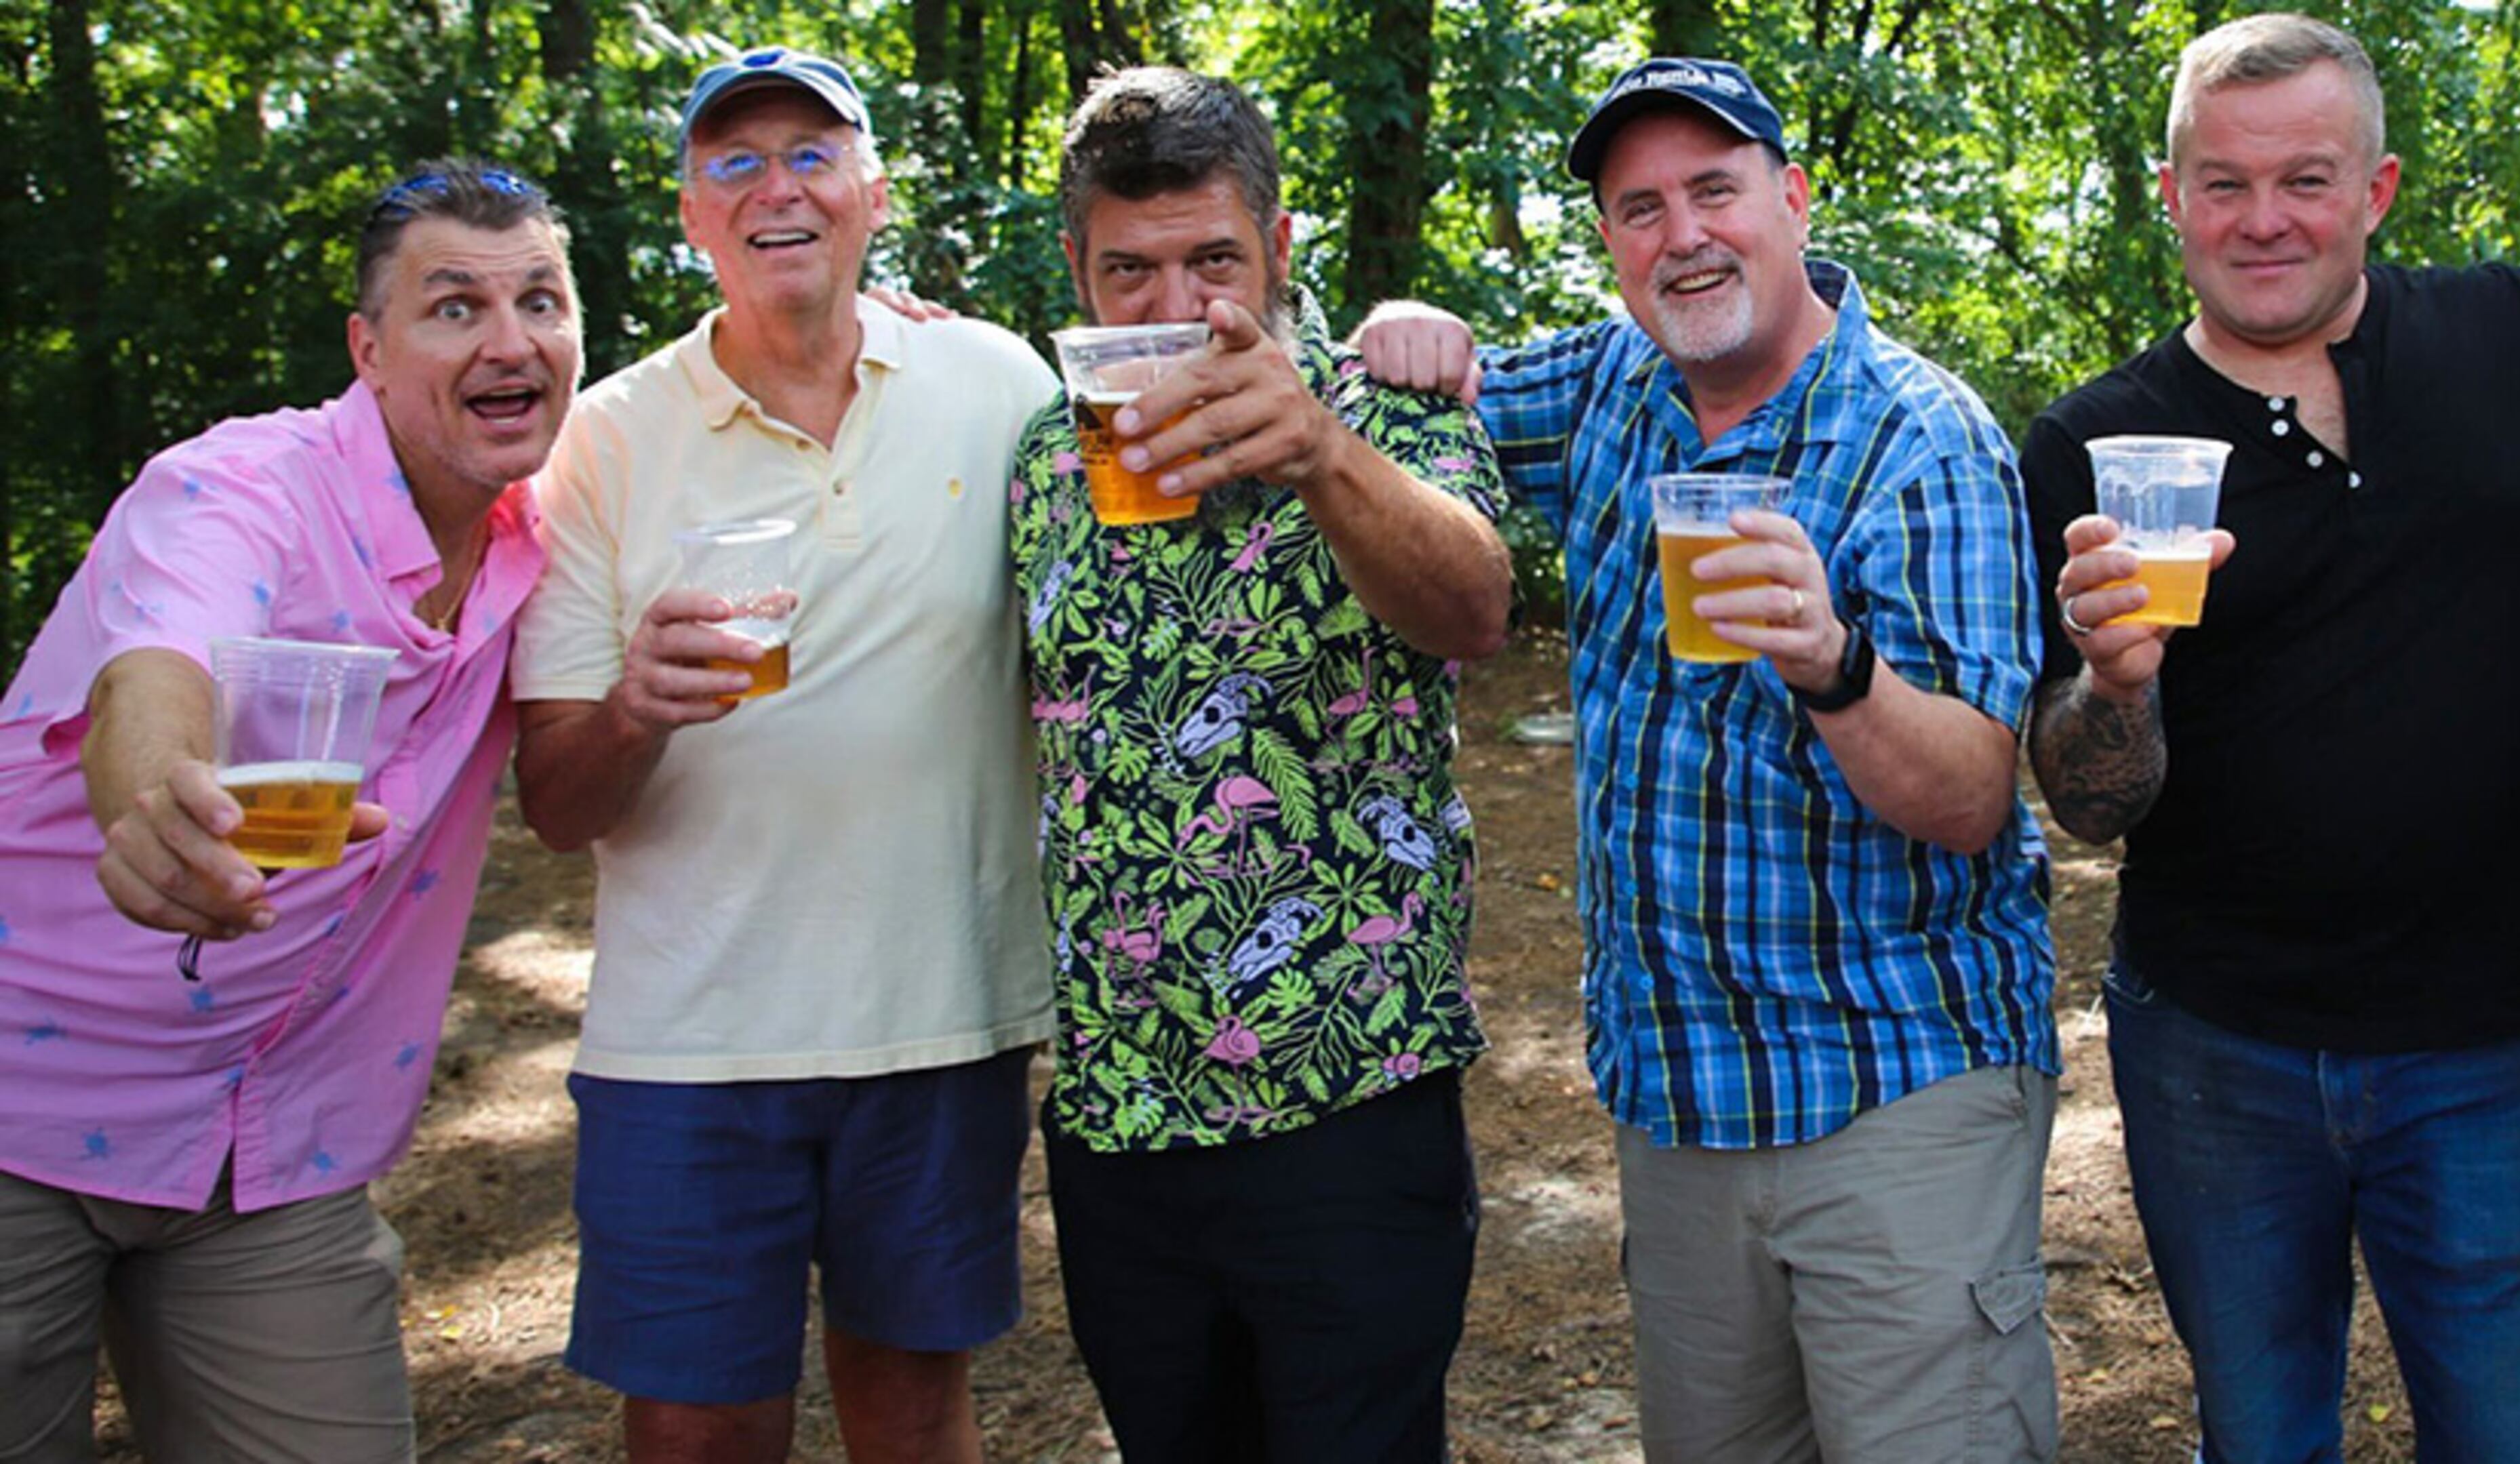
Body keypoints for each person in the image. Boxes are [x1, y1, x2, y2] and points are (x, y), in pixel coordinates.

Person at [1356, 56, 2059, 1461]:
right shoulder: (1612, 385)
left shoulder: (1923, 440)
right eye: (1640, 209)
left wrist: (1835, 666)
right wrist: (1400, 332)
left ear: (1792, 201)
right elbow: (1384, 432)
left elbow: (1975, 800)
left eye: (1716, 192)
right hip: (1680, 1094)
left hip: (1896, 1079)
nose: (1684, 236)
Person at [2024, 14, 2520, 1461]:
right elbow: (2091, 810)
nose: (2263, 219)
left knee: (2519, 1438)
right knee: (2263, 1436)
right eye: (2222, 182)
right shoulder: (2098, 443)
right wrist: (2119, 683)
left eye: (2305, 178)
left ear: (2377, 190)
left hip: (2487, 1043)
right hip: (2219, 1049)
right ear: (2170, 197)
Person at [508, 47, 1054, 1464]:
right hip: (688, 1041)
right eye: (733, 164)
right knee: (696, 1430)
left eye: (812, 155)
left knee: (915, 1408)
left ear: (873, 194)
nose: (776, 189)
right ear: (692, 217)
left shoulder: (997, 384)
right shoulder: (607, 439)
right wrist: (634, 708)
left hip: (939, 1014)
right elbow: (557, 802)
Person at [0, 160, 578, 1462]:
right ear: (368, 352)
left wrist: (873, 322)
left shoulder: (556, 528)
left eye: (542, 300)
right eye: (454, 308)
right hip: (25, 1104)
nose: (510, 340)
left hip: (275, 1152)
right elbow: (161, 656)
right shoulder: (240, 485)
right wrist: (158, 809)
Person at [1010, 66, 1513, 1462]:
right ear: (1078, 267)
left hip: (1350, 1095)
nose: (1174, 306)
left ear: (1280, 250)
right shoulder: (1044, 458)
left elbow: (1474, 606)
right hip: (1120, 1113)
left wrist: (1321, 455)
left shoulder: (1390, 409)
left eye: (1212, 260)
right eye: (1131, 270)